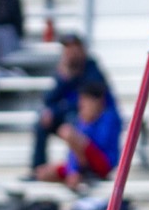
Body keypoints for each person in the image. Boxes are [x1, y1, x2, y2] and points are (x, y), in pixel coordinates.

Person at [32, 34, 115, 172]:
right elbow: (49, 99)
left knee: (72, 127)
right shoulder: (65, 70)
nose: (69, 53)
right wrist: (64, 79)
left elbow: (87, 105)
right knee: (42, 122)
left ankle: (78, 170)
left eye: (73, 49)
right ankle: (37, 167)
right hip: (71, 115)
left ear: (82, 50)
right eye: (67, 49)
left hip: (94, 123)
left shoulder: (92, 71)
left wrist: (58, 109)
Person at [35, 81, 122, 190]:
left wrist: (87, 125)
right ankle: (77, 176)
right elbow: (74, 151)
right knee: (42, 173)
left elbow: (99, 146)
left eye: (85, 100)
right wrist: (73, 170)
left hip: (102, 163)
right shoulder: (82, 120)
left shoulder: (109, 118)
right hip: (84, 164)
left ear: (98, 101)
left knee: (67, 132)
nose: (81, 104)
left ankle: (80, 175)